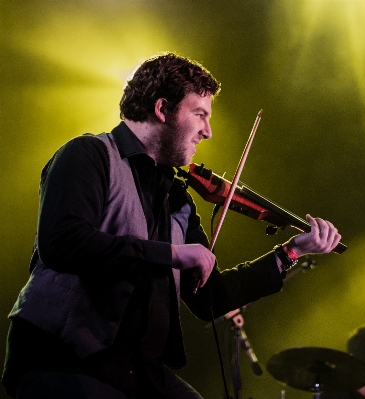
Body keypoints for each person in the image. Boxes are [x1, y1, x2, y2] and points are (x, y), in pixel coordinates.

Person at [2, 52, 342, 399]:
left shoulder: (177, 199)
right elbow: (62, 242)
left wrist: (291, 251)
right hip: (64, 360)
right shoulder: (87, 155)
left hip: (137, 372)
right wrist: (173, 254)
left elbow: (209, 298)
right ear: (162, 109)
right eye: (199, 115)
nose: (207, 132)